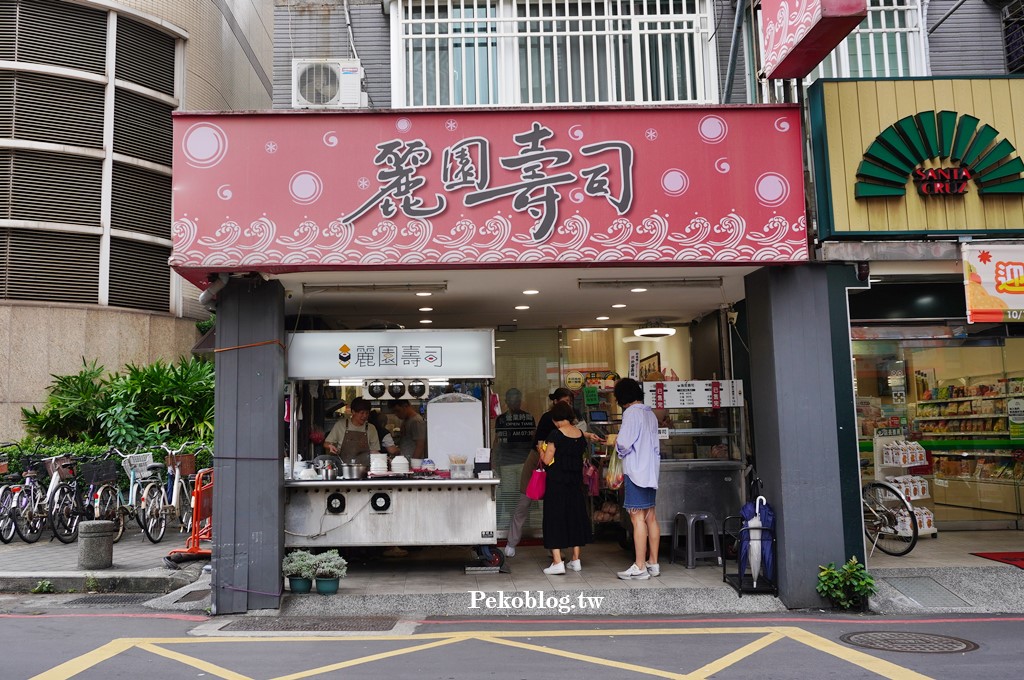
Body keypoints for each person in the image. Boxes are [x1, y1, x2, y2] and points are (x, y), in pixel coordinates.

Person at [505, 388, 600, 558]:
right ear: (555, 402)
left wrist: (587, 435)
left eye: (569, 402)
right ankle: (512, 542)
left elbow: (572, 432)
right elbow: (540, 443)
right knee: (525, 501)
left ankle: (554, 549)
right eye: (564, 401)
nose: (567, 405)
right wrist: (545, 452)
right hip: (538, 461)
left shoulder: (571, 417)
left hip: (558, 467)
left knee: (555, 507)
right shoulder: (548, 418)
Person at [613, 377, 662, 580]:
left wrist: (615, 444)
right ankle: (653, 562)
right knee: (651, 516)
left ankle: (639, 566)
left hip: (636, 472)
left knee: (636, 518)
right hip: (651, 471)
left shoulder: (631, 413)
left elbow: (624, 443)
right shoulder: (650, 413)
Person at [539, 401, 595, 574]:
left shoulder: (554, 435)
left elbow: (547, 460)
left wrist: (541, 449)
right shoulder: (579, 434)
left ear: (555, 419)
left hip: (556, 483)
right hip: (575, 483)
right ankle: (575, 559)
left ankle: (557, 562)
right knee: (575, 516)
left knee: (554, 518)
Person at [324, 397, 381, 466]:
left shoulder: (371, 428)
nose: (365, 416)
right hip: (343, 467)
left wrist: (382, 459)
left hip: (364, 468)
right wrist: (330, 446)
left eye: (367, 413)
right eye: (362, 413)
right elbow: (326, 443)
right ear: (353, 412)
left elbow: (374, 451)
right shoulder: (340, 425)